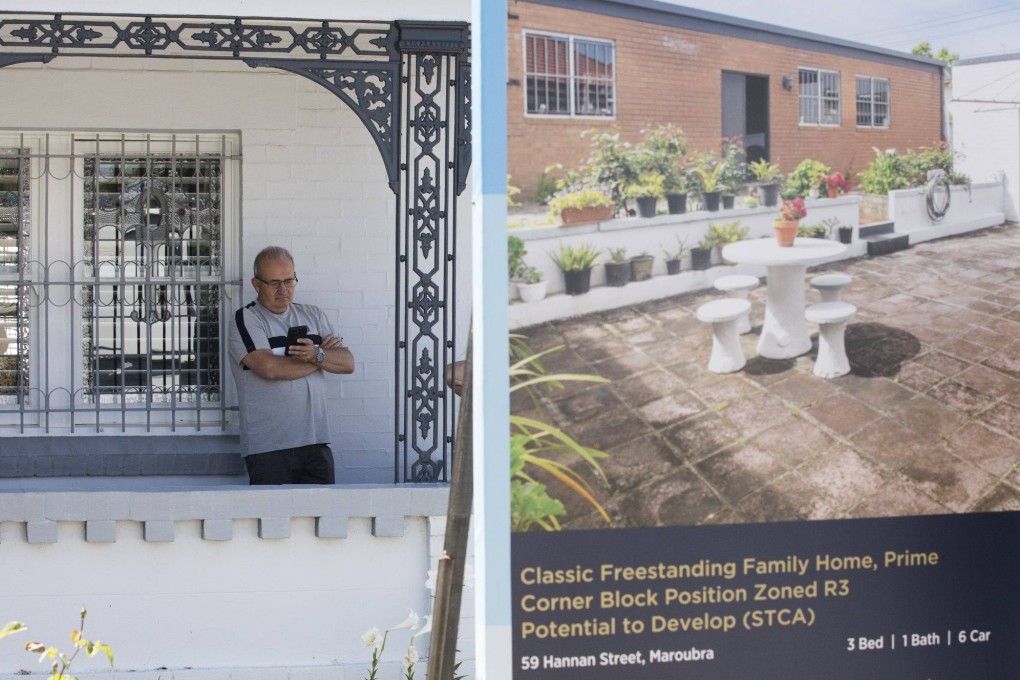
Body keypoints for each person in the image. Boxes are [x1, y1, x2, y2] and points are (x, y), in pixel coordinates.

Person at [228, 246, 354, 484]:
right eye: (274, 283)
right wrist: (321, 357)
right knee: (271, 520)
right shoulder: (246, 319)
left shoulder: (313, 315)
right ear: (257, 284)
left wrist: (316, 355)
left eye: (289, 281)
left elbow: (348, 363)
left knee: (321, 518)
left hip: (316, 443)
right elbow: (270, 369)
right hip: (268, 448)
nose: (283, 290)